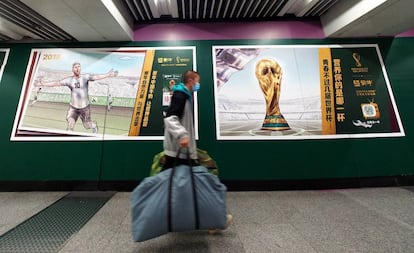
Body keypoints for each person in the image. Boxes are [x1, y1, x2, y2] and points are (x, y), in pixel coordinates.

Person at [162, 70, 232, 233]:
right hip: (180, 151)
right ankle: (214, 221)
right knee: (199, 186)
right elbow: (170, 118)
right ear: (191, 81)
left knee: (177, 187)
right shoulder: (180, 95)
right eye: (197, 81)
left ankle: (167, 218)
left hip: (178, 151)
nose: (198, 85)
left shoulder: (184, 95)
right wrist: (183, 135)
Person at [35, 62, 115, 133]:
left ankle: (94, 126)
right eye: (75, 67)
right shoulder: (69, 80)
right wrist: (42, 83)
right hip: (73, 108)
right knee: (70, 124)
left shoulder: (85, 77)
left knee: (87, 125)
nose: (77, 68)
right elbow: (56, 83)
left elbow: (97, 77)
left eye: (79, 67)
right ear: (73, 69)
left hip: (85, 108)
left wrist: (108, 74)